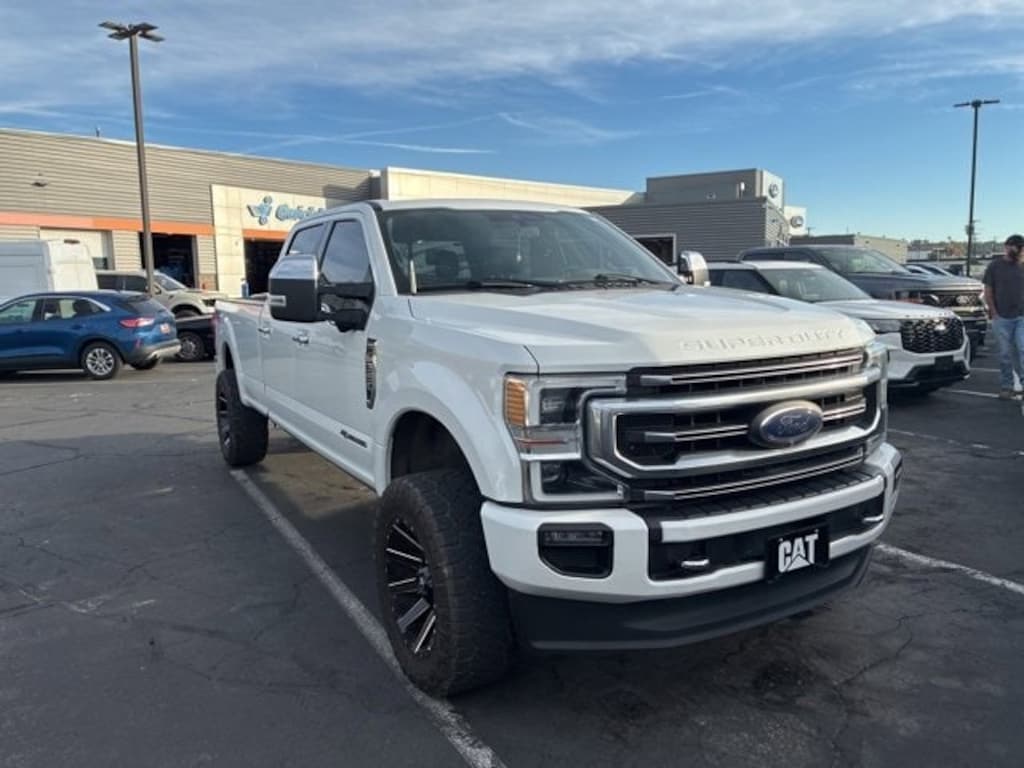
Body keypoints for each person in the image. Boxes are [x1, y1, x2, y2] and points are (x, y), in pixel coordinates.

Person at [983, 234, 1024, 399]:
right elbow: (988, 290)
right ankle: (1007, 386)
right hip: (1002, 317)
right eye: (1016, 246)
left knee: (1022, 350)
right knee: (1005, 353)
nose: (1019, 250)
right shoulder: (995, 266)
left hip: (1022, 316)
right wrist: (993, 311)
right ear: (1006, 247)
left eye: (1021, 248)